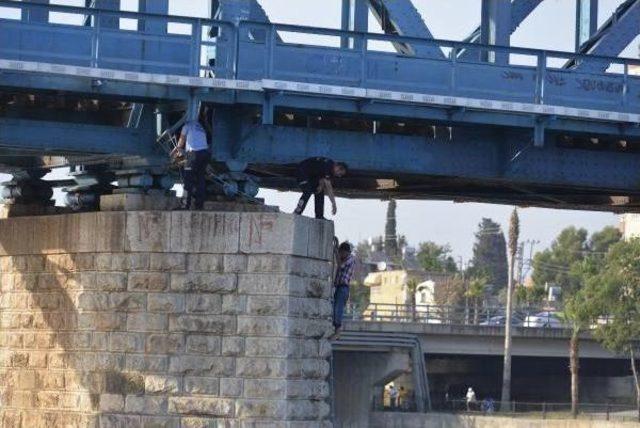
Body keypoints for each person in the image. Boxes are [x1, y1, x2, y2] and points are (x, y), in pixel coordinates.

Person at [171, 110, 211, 210]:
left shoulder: (187, 126)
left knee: (187, 179)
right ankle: (199, 205)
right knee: (200, 179)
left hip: (192, 154)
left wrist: (174, 152)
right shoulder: (200, 127)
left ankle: (185, 205)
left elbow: (181, 142)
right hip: (205, 153)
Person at [330, 242, 355, 339]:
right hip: (339, 287)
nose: (340, 255)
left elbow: (341, 266)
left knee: (338, 309)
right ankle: (335, 330)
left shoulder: (350, 259)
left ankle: (338, 332)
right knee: (334, 308)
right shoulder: (344, 258)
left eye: (341, 253)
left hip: (343, 288)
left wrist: (336, 253)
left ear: (345, 252)